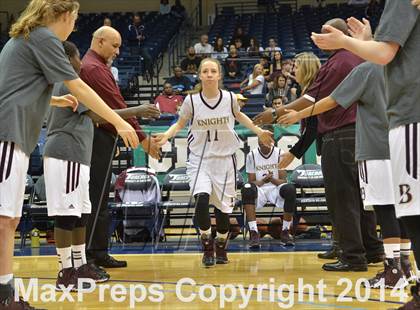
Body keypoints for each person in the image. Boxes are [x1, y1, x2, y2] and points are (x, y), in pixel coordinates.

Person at [0, 1, 140, 308]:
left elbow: (15, 87)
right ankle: (6, 295)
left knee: (8, 219)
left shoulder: (25, 39)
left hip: (15, 134)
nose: (72, 29)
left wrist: (55, 103)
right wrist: (119, 121)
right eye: (73, 21)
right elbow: (79, 88)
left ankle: (6, 293)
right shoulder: (44, 37)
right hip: (9, 133)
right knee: (4, 219)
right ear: (64, 16)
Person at [311, 2, 420, 307]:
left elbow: (384, 56)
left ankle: (400, 272)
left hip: (402, 124)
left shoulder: (401, 3)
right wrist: (368, 41)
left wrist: (345, 42)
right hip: (399, 127)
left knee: (405, 211)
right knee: (405, 210)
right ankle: (400, 270)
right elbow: (389, 55)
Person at [254, 19, 384, 272]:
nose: (321, 37)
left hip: (341, 135)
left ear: (344, 34)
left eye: (328, 33)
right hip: (362, 134)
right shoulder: (360, 57)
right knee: (361, 198)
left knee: (342, 199)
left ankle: (352, 256)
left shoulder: (338, 62)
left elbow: (312, 100)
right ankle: (372, 249)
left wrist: (278, 112)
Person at [279, 61, 414, 289]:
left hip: (375, 146)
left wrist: (296, 115)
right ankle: (404, 266)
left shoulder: (366, 68)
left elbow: (332, 101)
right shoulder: (405, 65)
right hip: (403, 142)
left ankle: (392, 269)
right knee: (400, 208)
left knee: (381, 207)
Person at [154, 58, 273, 267]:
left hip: (225, 160)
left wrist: (259, 131)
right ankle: (207, 241)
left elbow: (240, 117)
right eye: (205, 71)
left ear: (219, 75)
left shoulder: (229, 98)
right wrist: (166, 135)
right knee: (201, 198)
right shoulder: (192, 101)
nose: (209, 74)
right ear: (199, 75)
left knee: (223, 211)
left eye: (213, 71)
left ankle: (220, 245)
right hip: (199, 159)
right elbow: (180, 123)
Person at [80, 26, 161, 269]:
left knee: (100, 199)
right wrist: (143, 139)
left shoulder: (95, 65)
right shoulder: (93, 68)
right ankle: (91, 256)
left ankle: (98, 252)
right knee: (95, 200)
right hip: (95, 139)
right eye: (114, 45)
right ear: (100, 41)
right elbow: (115, 105)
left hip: (101, 137)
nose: (118, 51)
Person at [44, 41, 110, 291]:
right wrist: (136, 112)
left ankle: (81, 266)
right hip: (65, 153)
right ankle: (65, 271)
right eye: (79, 56)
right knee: (66, 215)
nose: (81, 62)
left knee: (81, 213)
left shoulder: (68, 81)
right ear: (68, 58)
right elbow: (98, 115)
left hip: (77, 156)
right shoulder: (65, 81)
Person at [242, 125, 296, 249]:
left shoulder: (279, 153)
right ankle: (254, 232)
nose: (262, 141)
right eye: (260, 137)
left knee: (290, 189)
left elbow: (283, 180)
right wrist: (263, 180)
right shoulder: (252, 155)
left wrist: (271, 179)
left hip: (275, 188)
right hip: (260, 189)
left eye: (265, 137)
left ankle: (285, 231)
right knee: (246, 188)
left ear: (272, 139)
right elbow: (252, 182)